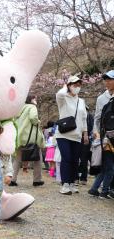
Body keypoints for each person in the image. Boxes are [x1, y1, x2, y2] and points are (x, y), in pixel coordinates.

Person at [56, 75, 88, 195]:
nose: (77, 87)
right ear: (69, 86)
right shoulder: (63, 98)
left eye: (79, 85)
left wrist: (85, 133)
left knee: (75, 160)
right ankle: (65, 184)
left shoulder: (81, 101)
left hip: (77, 135)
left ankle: (72, 183)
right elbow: (58, 94)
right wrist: (66, 86)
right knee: (67, 158)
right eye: (75, 85)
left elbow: (84, 118)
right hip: (63, 134)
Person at [88, 70, 114, 199]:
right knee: (108, 165)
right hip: (105, 138)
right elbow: (97, 118)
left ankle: (99, 189)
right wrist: (96, 133)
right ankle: (104, 190)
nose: (107, 82)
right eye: (106, 80)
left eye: (110, 79)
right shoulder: (101, 98)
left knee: (107, 165)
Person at [9, 95, 45, 187]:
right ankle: (37, 180)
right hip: (31, 138)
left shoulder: (19, 109)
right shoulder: (32, 107)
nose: (36, 100)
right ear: (32, 100)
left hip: (20, 137)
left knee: (17, 159)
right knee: (38, 159)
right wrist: (38, 122)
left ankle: (12, 179)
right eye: (35, 98)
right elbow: (33, 118)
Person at [76, 105, 94, 185]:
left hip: (82, 139)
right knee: (82, 159)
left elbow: (90, 127)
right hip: (80, 139)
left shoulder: (88, 116)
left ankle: (80, 178)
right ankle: (81, 178)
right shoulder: (88, 116)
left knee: (82, 160)